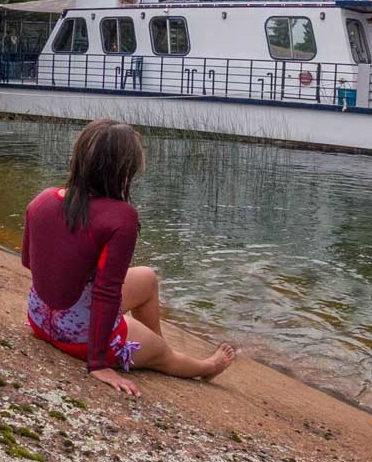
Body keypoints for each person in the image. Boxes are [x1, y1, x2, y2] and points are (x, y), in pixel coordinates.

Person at [21, 119, 235, 396]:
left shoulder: (42, 199)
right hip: (79, 339)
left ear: (79, 157)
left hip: (39, 319)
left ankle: (154, 342)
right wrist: (98, 364)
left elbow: (30, 262)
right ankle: (204, 366)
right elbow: (107, 292)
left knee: (147, 277)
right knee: (165, 357)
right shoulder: (121, 217)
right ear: (124, 170)